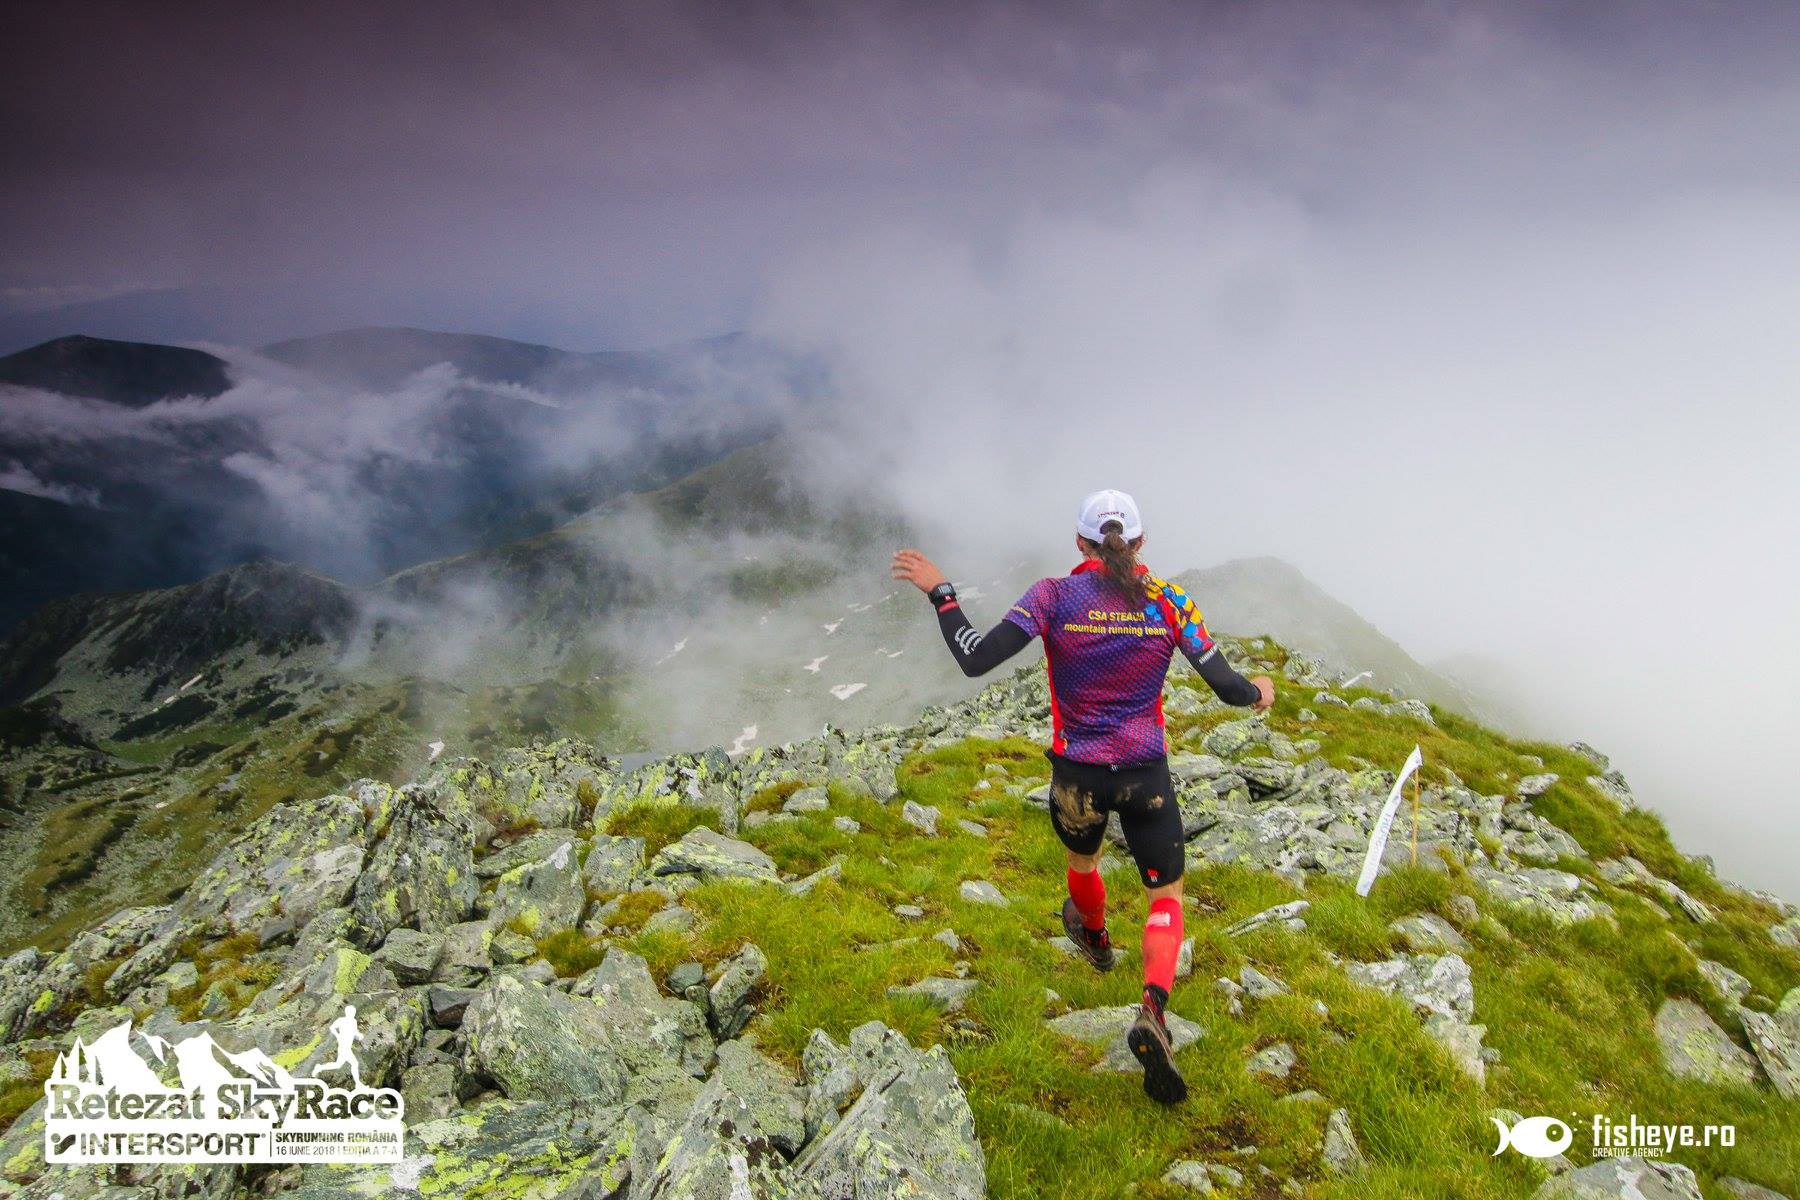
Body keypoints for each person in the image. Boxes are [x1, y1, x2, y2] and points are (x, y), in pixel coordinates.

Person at [891, 489, 1274, 1105]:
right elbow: (1227, 687)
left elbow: (975, 660)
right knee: (1164, 895)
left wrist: (942, 593)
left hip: (1077, 776)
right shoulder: (1169, 600)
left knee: (1084, 862)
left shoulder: (1052, 596)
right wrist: (1259, 690)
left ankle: (1095, 937)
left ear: (1079, 542)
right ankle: (1153, 1010)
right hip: (1145, 775)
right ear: (1140, 543)